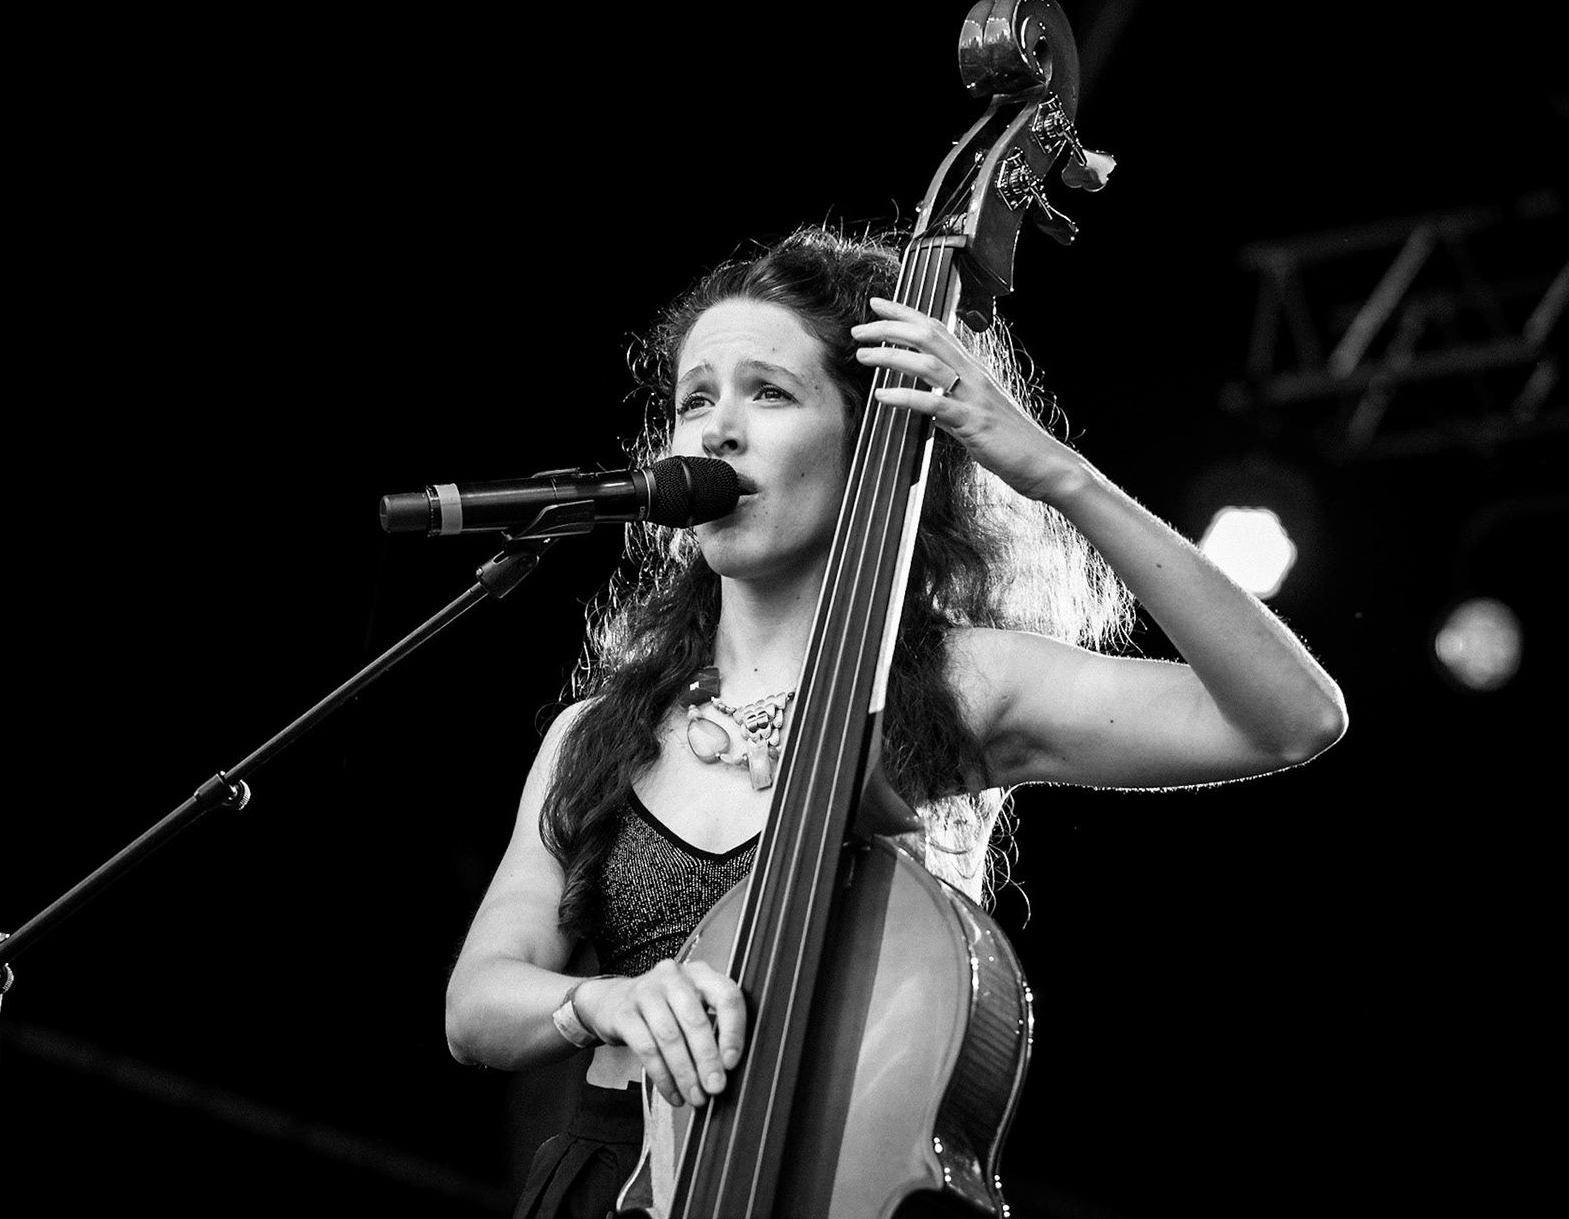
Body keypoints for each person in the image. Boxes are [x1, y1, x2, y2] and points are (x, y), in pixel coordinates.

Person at [443, 225, 1347, 1218]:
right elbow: (479, 999)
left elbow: (1288, 719)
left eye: (770, 393)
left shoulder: (959, 681)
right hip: (607, 1184)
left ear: (869, 434)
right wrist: (598, 998)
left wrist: (1055, 473)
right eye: (694, 398)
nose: (718, 430)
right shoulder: (599, 730)